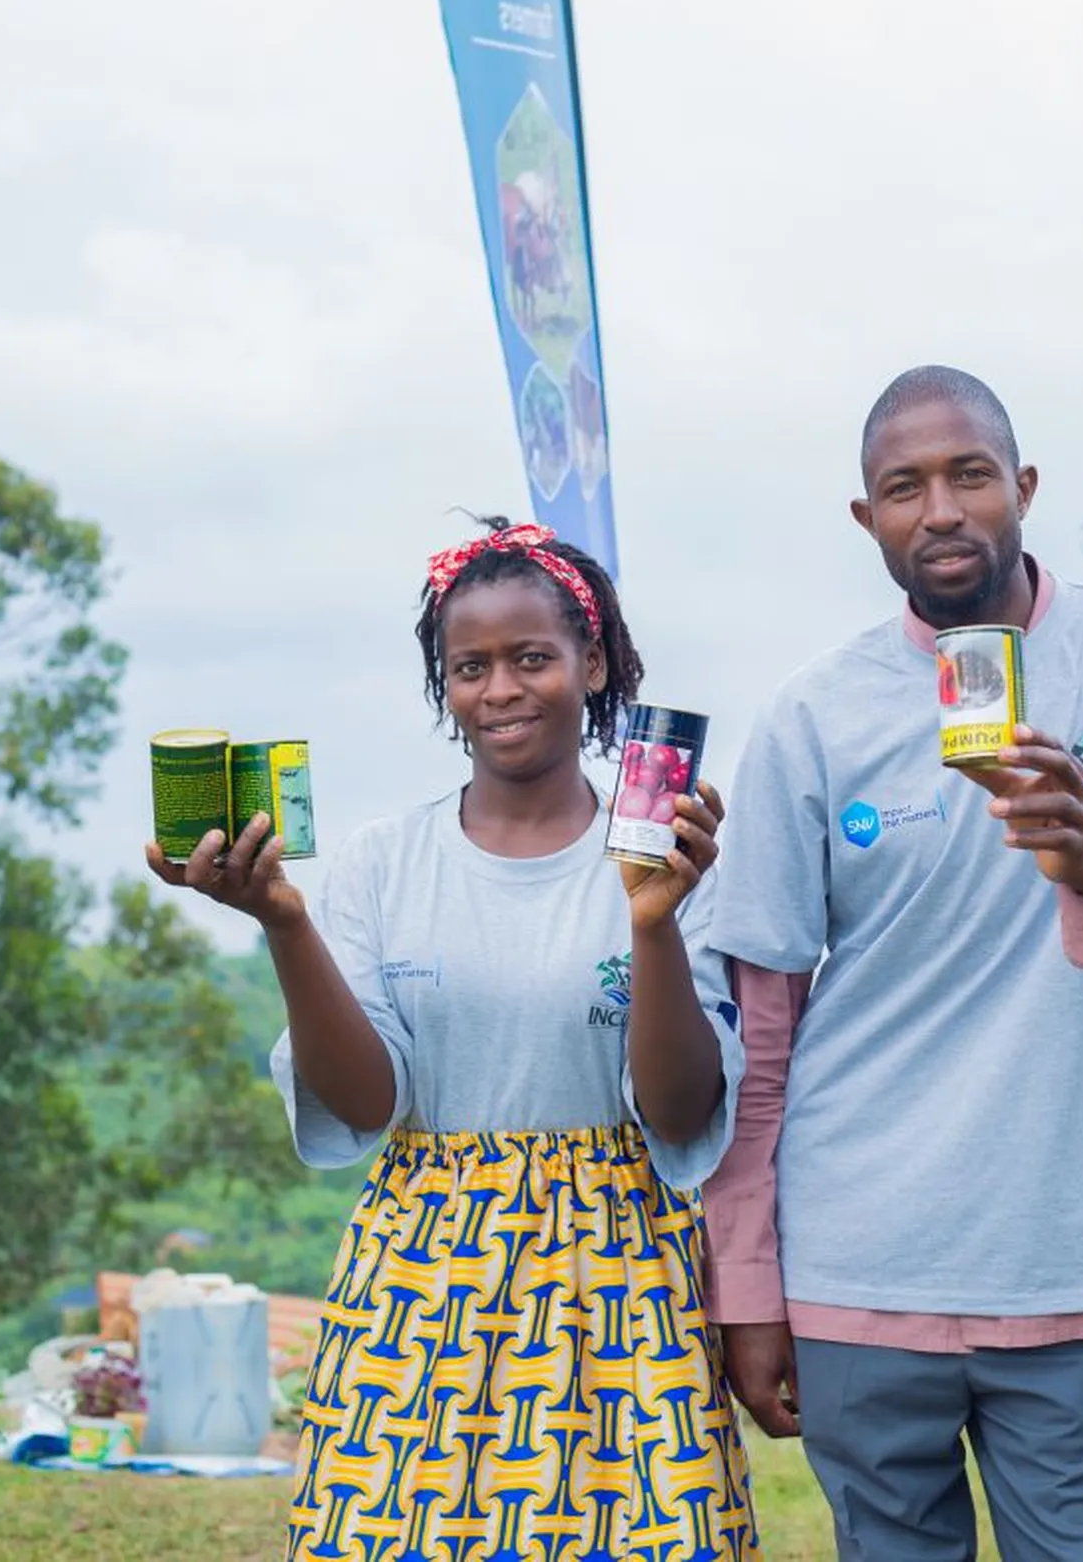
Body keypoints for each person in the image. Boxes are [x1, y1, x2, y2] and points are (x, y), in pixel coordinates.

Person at [703, 366, 1083, 1562]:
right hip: (859, 1258)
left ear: (1022, 485)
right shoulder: (817, 714)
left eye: (968, 475)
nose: (940, 510)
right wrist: (747, 1286)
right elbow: (761, 1029)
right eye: (902, 488)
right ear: (868, 522)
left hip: (1061, 1257)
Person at [147, 519, 757, 1560]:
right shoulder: (387, 863)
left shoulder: (667, 861)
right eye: (469, 667)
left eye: (533, 657)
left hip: (618, 1285)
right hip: (423, 1278)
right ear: (445, 684)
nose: (501, 690)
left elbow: (681, 1110)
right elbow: (370, 1103)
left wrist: (650, 926)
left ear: (593, 661)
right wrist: (284, 923)